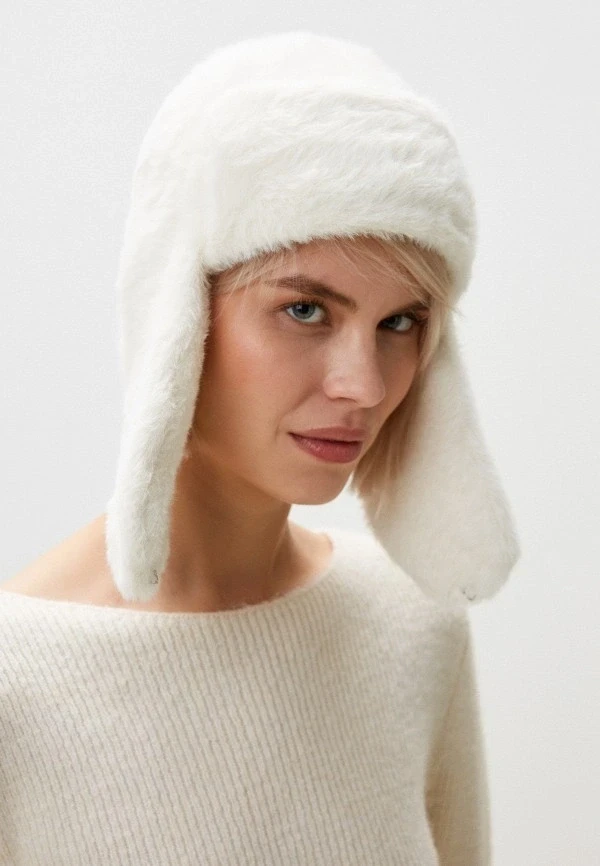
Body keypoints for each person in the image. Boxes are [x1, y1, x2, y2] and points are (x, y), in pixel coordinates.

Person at [0, 30, 520, 865]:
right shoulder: (17, 682)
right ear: (180, 317)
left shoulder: (413, 621)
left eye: (399, 323)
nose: (365, 384)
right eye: (305, 310)